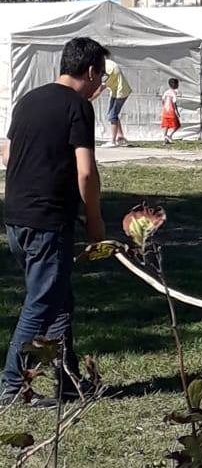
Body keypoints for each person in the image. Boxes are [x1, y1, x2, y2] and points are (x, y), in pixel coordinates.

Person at [0, 37, 108, 407]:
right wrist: (94, 221)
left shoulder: (29, 99)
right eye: (101, 77)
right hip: (47, 221)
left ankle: (68, 383)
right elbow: (86, 173)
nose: (100, 86)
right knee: (42, 302)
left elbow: (8, 154)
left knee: (59, 300)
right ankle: (11, 386)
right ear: (90, 71)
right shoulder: (78, 107)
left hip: (15, 218)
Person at [101, 58, 133, 147]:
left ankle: (113, 141)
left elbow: (100, 88)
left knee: (112, 116)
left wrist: (89, 100)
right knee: (112, 114)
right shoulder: (106, 63)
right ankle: (120, 137)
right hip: (116, 91)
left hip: (121, 92)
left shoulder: (108, 70)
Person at [161, 78, 182, 144]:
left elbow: (163, 100)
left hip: (165, 111)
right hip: (171, 112)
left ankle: (165, 137)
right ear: (174, 84)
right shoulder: (174, 93)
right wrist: (177, 112)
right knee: (177, 125)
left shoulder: (166, 92)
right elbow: (174, 103)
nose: (178, 85)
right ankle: (169, 136)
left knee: (166, 125)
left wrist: (164, 107)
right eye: (177, 84)